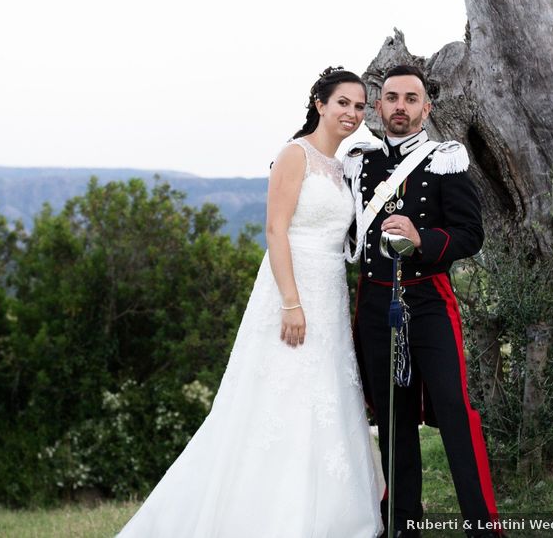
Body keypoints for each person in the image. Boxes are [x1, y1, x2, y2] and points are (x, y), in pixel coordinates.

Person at [116, 67, 384, 538]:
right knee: (279, 394)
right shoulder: (294, 154)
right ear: (320, 103)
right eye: (343, 102)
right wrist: (291, 303)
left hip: (331, 292)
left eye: (360, 106)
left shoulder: (343, 167)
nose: (352, 113)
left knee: (323, 394)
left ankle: (329, 515)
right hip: (293, 287)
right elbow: (276, 230)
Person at [343, 65, 501, 538]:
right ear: (377, 105)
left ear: (426, 108)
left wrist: (423, 238)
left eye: (411, 99)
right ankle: (403, 525)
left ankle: (484, 527)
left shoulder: (444, 160)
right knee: (393, 417)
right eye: (391, 97)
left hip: (429, 300)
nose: (400, 107)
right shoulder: (360, 162)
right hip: (375, 304)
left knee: (455, 411)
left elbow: (471, 234)